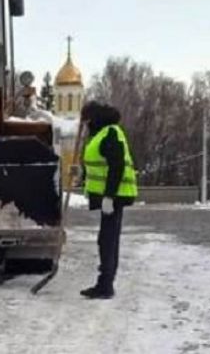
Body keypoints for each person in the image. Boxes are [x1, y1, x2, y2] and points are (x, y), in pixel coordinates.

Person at [79, 100, 137, 299]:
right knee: (107, 239)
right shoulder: (101, 134)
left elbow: (117, 166)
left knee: (108, 240)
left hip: (115, 196)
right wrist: (81, 173)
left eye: (86, 120)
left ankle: (105, 286)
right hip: (110, 196)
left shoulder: (111, 133)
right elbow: (99, 164)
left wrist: (109, 197)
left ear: (94, 118)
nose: (85, 124)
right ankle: (105, 283)